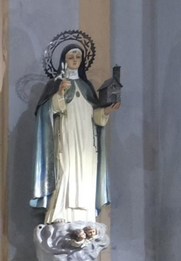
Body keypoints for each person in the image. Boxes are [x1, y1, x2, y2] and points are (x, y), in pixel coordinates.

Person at [32, 43, 119, 225]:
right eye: (71, 57)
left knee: (86, 173)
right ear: (64, 60)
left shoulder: (86, 87)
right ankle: (61, 212)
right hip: (67, 136)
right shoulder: (56, 84)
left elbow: (95, 116)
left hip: (87, 140)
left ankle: (85, 214)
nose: (74, 60)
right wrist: (60, 94)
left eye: (77, 57)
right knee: (67, 170)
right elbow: (48, 111)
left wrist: (106, 112)